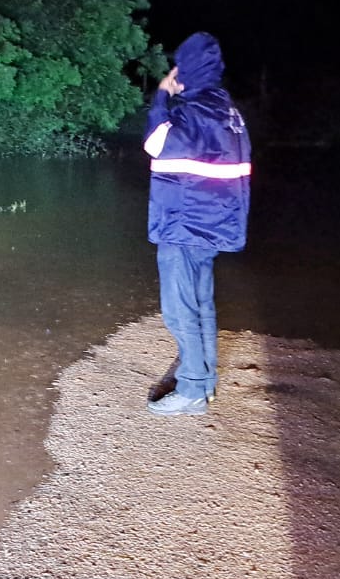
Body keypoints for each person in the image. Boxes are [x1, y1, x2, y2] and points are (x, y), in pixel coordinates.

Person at [143, 32, 251, 416]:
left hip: (185, 225)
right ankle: (203, 386)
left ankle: (191, 387)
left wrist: (161, 96)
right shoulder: (228, 110)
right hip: (212, 226)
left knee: (179, 309)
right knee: (201, 304)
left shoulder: (193, 110)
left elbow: (156, 143)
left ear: (186, 68)